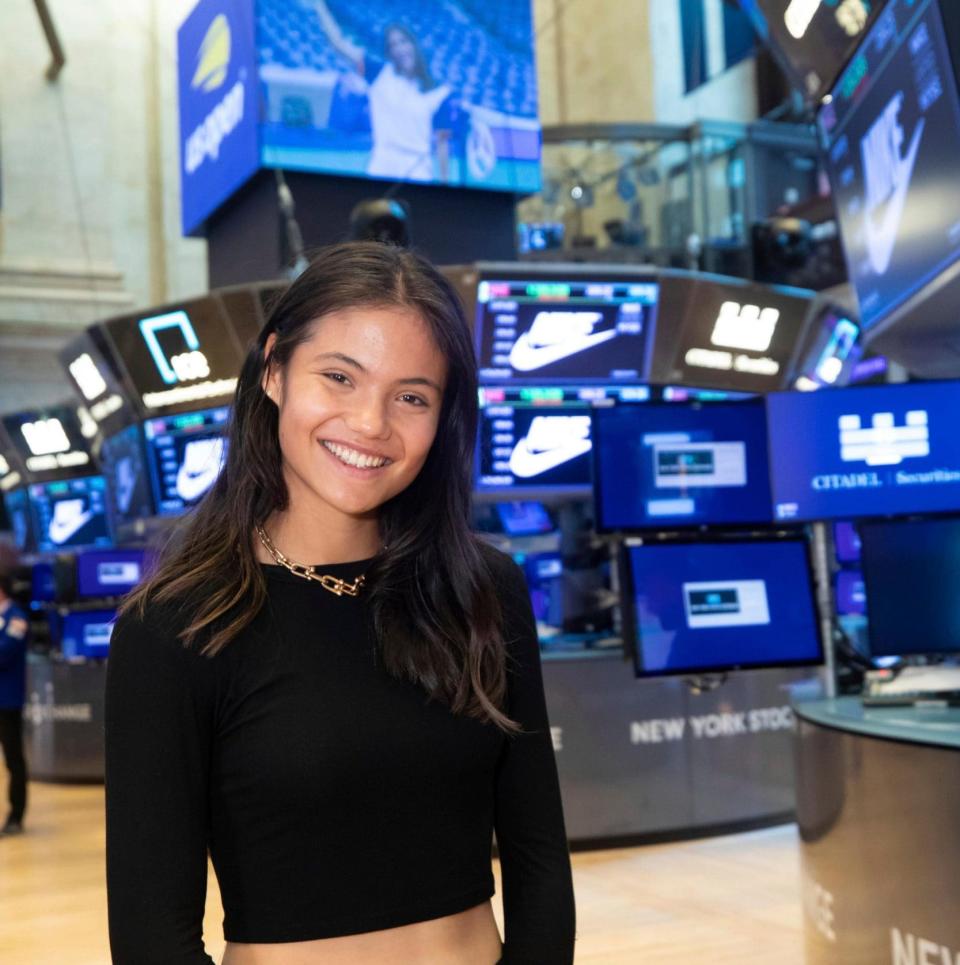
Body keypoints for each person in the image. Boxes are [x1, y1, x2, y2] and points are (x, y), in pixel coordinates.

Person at [104, 242, 576, 964]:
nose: (370, 423)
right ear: (273, 370)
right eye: (339, 377)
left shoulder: (484, 589)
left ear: (443, 416)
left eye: (411, 396)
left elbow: (539, 857)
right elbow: (150, 935)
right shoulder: (176, 625)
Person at [312, 0, 455, 183]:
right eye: (393, 45)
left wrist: (444, 184)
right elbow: (339, 44)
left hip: (418, 173)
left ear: (414, 45)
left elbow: (442, 143)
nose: (400, 49)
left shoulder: (438, 92)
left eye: (403, 42)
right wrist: (320, 6)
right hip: (382, 167)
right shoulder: (379, 74)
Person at [0, 552, 29, 837]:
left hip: (7, 701)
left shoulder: (17, 618)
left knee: (13, 759)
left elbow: (5, 653)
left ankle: (16, 816)